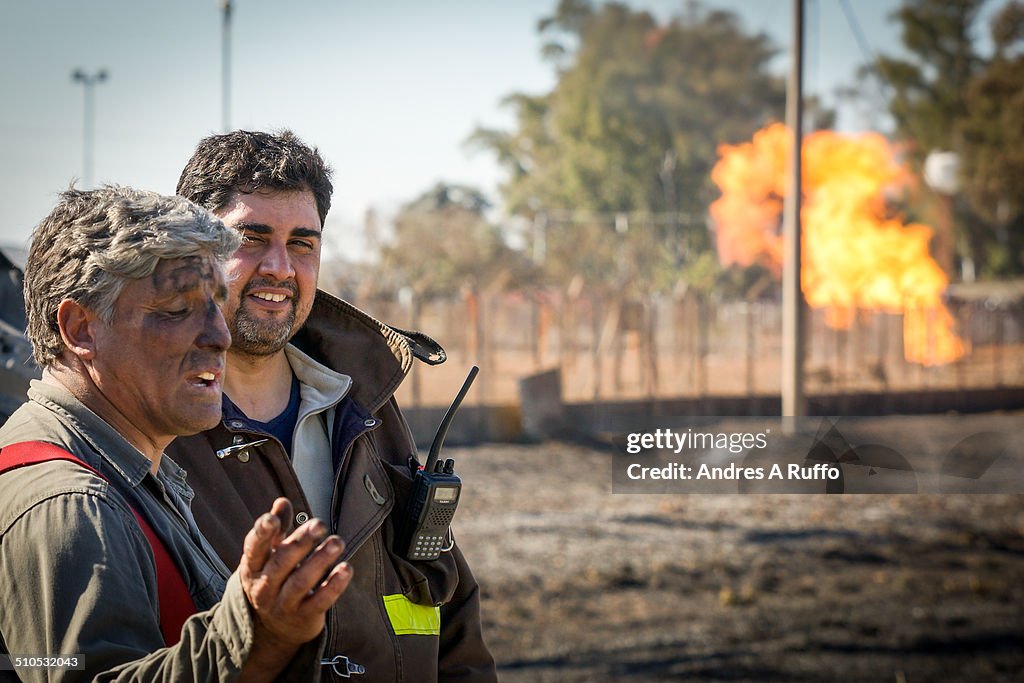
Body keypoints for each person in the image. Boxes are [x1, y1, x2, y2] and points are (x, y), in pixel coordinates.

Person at [168, 130, 497, 681]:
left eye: (302, 242)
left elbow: (452, 612)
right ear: (189, 251)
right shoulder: (151, 424)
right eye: (251, 238)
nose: (280, 267)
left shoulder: (363, 404)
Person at [0, 186, 353, 682]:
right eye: (177, 309)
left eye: (216, 304)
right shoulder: (73, 504)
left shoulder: (133, 468)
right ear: (80, 328)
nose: (220, 336)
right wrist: (256, 630)